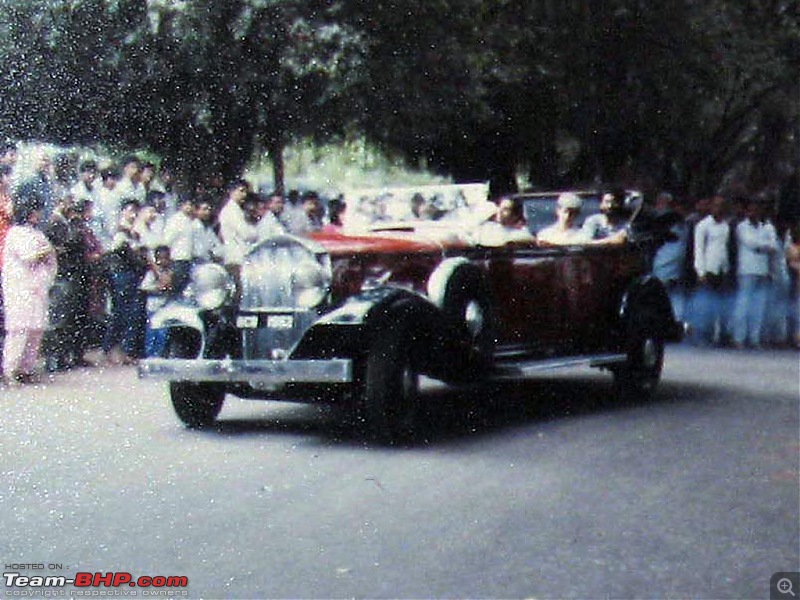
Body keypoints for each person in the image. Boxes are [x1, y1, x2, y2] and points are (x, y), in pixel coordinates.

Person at [2, 192, 57, 386]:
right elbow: (29, 256)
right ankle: (10, 370)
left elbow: (50, 257)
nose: (39, 215)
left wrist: (47, 254)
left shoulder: (38, 233)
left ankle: (26, 369)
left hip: (38, 287)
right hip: (20, 287)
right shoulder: (15, 233)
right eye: (36, 211)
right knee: (19, 329)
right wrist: (45, 252)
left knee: (36, 329)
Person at [102, 198, 148, 365]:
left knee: (130, 314)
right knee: (122, 313)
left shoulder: (133, 232)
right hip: (121, 275)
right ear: (123, 212)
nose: (133, 214)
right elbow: (124, 253)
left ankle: (125, 350)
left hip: (132, 275)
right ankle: (110, 347)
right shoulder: (120, 232)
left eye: (135, 211)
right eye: (130, 210)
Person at [731, 199, 778, 349]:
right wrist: (765, 245)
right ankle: (739, 339)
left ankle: (754, 339)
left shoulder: (768, 226)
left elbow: (774, 245)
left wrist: (762, 246)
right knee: (743, 306)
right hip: (746, 270)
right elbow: (750, 243)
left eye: (756, 210)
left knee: (759, 307)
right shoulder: (741, 227)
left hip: (763, 271)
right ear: (746, 212)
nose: (754, 213)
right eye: (751, 210)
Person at [692, 195, 731, 346]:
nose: (718, 209)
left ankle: (720, 336)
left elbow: (724, 248)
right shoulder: (703, 226)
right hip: (708, 269)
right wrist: (700, 272)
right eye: (716, 205)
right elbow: (699, 249)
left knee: (720, 305)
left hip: (721, 269)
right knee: (705, 304)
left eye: (721, 206)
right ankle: (702, 336)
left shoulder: (725, 226)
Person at [651, 192, 691, 322]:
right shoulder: (660, 222)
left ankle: (676, 323)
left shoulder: (683, 224)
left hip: (677, 266)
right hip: (661, 265)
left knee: (676, 297)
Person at [218, 179, 257, 294]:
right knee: (238, 290)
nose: (244, 194)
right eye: (241, 191)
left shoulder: (237, 210)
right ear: (231, 191)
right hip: (235, 256)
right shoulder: (231, 211)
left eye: (245, 192)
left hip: (240, 254)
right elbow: (245, 233)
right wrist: (254, 232)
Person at [140, 245, 174, 357]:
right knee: (151, 333)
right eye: (160, 258)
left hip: (165, 308)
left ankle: (160, 354)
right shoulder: (151, 273)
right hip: (153, 308)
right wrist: (156, 288)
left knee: (163, 333)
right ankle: (150, 355)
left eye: (166, 258)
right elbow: (144, 288)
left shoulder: (170, 272)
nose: (163, 261)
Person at [161, 196, 196, 294]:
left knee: (183, 288)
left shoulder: (188, 221)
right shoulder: (175, 220)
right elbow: (167, 241)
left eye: (191, 205)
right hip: (177, 259)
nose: (189, 207)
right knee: (176, 288)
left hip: (187, 259)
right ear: (181, 205)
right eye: (187, 204)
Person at [192, 196, 224, 264]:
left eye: (209, 210)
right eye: (204, 209)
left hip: (210, 262)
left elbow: (218, 246)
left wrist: (214, 253)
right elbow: (198, 251)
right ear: (196, 211)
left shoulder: (209, 228)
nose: (207, 212)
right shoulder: (192, 227)